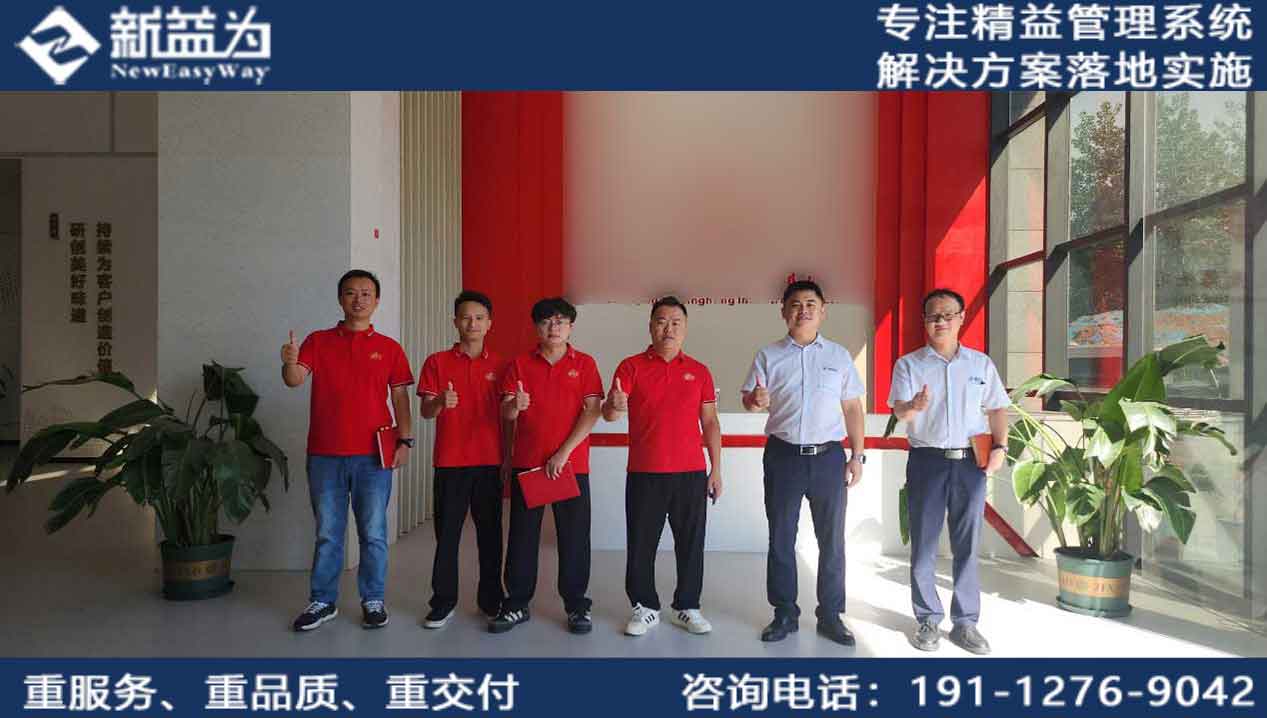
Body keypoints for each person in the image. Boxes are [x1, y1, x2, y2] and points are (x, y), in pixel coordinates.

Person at [282, 269, 414, 632]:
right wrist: (290, 361)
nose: (359, 299)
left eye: (366, 293)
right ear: (340, 299)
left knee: (373, 532)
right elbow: (294, 380)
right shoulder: (318, 341)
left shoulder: (389, 348)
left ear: (377, 301)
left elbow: (400, 398)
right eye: (351, 293)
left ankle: (373, 599)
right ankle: (323, 601)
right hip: (325, 454)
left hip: (374, 455)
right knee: (328, 532)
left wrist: (405, 441)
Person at [740, 279, 865, 646]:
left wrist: (857, 455)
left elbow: (852, 407)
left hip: (828, 458)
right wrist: (755, 401)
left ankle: (831, 615)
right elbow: (750, 400)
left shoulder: (839, 356)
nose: (803, 310)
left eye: (811, 303)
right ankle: (784, 613)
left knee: (832, 539)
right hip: (783, 457)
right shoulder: (769, 355)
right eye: (795, 304)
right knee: (781, 537)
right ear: (784, 312)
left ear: (823, 311)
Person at [888, 288, 1009, 655]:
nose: (940, 321)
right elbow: (900, 412)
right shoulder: (909, 365)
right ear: (924, 322)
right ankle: (927, 619)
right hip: (927, 461)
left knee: (967, 544)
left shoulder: (980, 364)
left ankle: (965, 622)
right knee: (924, 543)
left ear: (961, 318)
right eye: (932, 316)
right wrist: (914, 405)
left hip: (971, 462)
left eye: (947, 315)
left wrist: (1001, 446)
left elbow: (997, 408)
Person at [602, 296, 723, 637]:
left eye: (675, 322)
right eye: (661, 321)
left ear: (685, 328)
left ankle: (688, 606)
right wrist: (614, 405)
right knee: (642, 543)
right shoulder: (631, 367)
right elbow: (610, 414)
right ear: (650, 326)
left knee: (691, 543)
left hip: (691, 473)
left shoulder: (699, 371)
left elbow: (710, 422)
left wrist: (716, 469)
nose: (668, 328)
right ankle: (644, 607)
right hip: (645, 472)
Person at [492, 297, 603, 635]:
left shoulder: (584, 364)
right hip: (528, 464)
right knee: (523, 537)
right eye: (546, 321)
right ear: (536, 327)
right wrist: (515, 406)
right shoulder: (519, 365)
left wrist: (564, 452)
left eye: (560, 321)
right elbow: (506, 413)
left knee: (574, 537)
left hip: (571, 466)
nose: (553, 327)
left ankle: (577, 605)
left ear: (570, 326)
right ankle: (516, 603)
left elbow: (592, 411)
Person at [417, 290, 510, 629]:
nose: (472, 323)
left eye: (479, 318)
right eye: (466, 317)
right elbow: (426, 411)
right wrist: (440, 401)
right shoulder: (437, 362)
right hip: (450, 462)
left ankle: (491, 599)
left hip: (489, 461)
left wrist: (507, 458)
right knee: (447, 536)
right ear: (455, 322)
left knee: (490, 536)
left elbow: (509, 418)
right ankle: (443, 602)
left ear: (490, 324)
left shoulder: (502, 365)